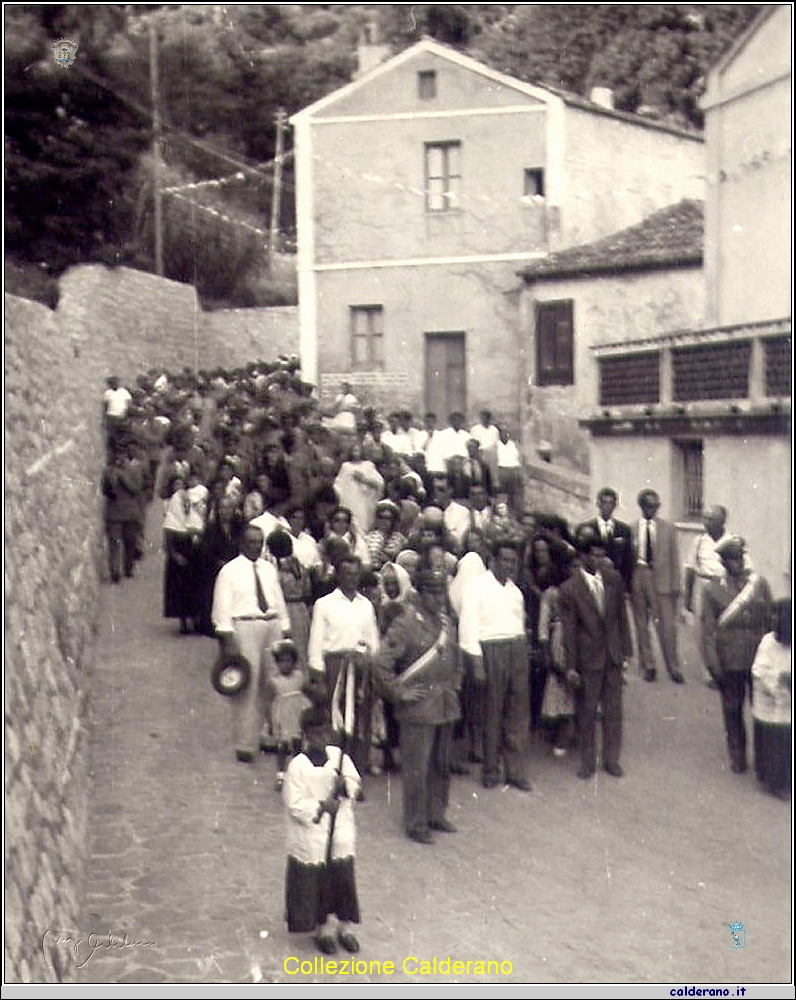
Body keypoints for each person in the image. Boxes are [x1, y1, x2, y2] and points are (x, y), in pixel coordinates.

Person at [374, 569, 463, 845]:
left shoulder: (448, 623)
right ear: (419, 593)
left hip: (444, 703)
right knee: (417, 767)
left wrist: (456, 684)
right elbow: (380, 664)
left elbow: (455, 658)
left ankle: (436, 813)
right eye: (432, 592)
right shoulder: (407, 623)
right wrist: (400, 692)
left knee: (440, 764)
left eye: (441, 592)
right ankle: (416, 821)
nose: (438, 598)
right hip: (419, 707)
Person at [283, 703, 362, 955]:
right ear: (306, 735)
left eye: (326, 732)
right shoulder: (298, 766)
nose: (323, 738)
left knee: (342, 877)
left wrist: (345, 786)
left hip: (339, 830)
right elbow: (294, 804)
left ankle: (345, 926)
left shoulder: (340, 758)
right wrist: (320, 807)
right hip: (314, 833)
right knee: (320, 881)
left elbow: (355, 783)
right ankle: (323, 928)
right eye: (316, 734)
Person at [212, 524, 292, 762]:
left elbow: (278, 599)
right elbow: (221, 607)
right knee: (248, 684)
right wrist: (228, 638)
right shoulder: (229, 571)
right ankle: (245, 743)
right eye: (251, 542)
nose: (255, 546)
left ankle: (274, 736)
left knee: (275, 682)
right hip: (245, 626)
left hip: (272, 624)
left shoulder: (268, 569)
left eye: (259, 542)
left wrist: (285, 629)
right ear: (241, 543)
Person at [559, 526, 632, 779]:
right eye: (593, 556)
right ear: (582, 557)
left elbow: (622, 618)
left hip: (612, 656)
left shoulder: (613, 579)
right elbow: (569, 631)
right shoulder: (570, 589)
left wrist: (626, 653)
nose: (597, 561)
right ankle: (587, 761)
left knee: (614, 711)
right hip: (587, 659)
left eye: (602, 556)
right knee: (587, 712)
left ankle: (612, 759)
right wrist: (571, 666)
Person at [458, 540, 532, 791]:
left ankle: (514, 770)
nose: (509, 565)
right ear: (493, 561)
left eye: (513, 561)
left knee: (517, 712)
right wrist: (477, 664)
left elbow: (519, 625)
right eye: (505, 560)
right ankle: (491, 770)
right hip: (491, 651)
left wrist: (521, 655)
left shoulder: (515, 591)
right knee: (492, 712)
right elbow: (468, 628)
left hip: (516, 650)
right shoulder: (476, 588)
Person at [701, 537, 772, 774]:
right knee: (732, 711)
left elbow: (770, 621)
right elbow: (707, 631)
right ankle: (737, 756)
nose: (738, 563)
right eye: (732, 559)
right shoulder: (712, 589)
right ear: (723, 562)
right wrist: (713, 664)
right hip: (729, 660)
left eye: (740, 557)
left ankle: (766, 760)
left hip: (759, 658)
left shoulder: (759, 584)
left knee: (764, 712)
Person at [307, 555, 380, 774]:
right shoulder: (324, 604)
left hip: (360, 667)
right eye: (347, 574)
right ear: (338, 576)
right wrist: (318, 676)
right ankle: (335, 770)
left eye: (356, 574)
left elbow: (372, 639)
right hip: (335, 667)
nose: (352, 579)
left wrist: (371, 664)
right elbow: (316, 642)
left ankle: (356, 771)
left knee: (361, 719)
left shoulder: (366, 605)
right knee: (336, 719)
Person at [684, 505, 749, 688]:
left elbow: (745, 568)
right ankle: (710, 672)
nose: (706, 522)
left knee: (725, 627)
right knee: (705, 629)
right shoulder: (698, 541)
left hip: (725, 586)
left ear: (722, 521)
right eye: (705, 518)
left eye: (711, 519)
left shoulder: (733, 541)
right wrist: (687, 597)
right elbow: (689, 568)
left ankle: (727, 667)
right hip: (703, 585)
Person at [631, 489, 684, 684]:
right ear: (642, 506)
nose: (653, 509)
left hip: (662, 580)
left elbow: (674, 559)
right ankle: (648, 666)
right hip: (639, 574)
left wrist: (676, 586)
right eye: (649, 505)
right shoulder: (632, 529)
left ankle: (674, 667)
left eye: (656, 506)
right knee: (641, 626)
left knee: (667, 627)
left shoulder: (668, 529)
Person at [751, 599, 791, 799]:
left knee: (785, 742)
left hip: (788, 702)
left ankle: (785, 780)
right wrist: (778, 679)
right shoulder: (768, 642)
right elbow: (758, 670)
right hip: (768, 699)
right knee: (771, 742)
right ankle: (772, 782)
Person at [162, 474, 203, 634]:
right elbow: (169, 540)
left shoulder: (194, 513)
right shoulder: (172, 516)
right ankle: (183, 622)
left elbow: (199, 530)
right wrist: (175, 555)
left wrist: (195, 532)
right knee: (179, 590)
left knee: (194, 588)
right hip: (178, 557)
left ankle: (195, 619)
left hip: (193, 556)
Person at [268, 639, 311, 791]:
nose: (285, 665)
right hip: (282, 716)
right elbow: (271, 702)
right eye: (281, 662)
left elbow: (306, 692)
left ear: (294, 662)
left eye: (289, 661)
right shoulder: (274, 681)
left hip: (297, 714)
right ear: (277, 663)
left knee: (298, 744)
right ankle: (281, 775)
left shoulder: (299, 677)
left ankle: (297, 774)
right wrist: (270, 722)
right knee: (282, 746)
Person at [578, 487, 633, 592]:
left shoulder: (624, 530)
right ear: (598, 504)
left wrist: (626, 587)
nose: (607, 507)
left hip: (616, 583)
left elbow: (628, 561)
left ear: (615, 505)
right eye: (604, 503)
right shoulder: (586, 528)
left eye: (610, 503)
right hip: (593, 581)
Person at [102, 447, 144, 584]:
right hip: (114, 512)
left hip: (130, 513)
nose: (120, 460)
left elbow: (136, 489)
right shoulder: (108, 472)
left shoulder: (134, 470)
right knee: (114, 542)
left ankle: (128, 567)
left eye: (122, 457)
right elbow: (105, 491)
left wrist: (123, 478)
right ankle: (114, 571)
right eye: (117, 456)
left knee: (130, 541)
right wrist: (111, 483)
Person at [332, 441, 384, 534]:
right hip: (349, 499)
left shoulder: (368, 465)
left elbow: (379, 483)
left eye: (358, 450)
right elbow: (338, 484)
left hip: (364, 501)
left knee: (363, 523)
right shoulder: (346, 466)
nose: (356, 452)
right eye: (354, 450)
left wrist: (364, 480)